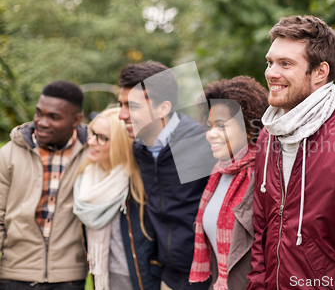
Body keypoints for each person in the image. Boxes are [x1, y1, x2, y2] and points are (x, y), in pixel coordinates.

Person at [247, 15, 335, 290]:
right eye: (270, 62)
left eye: (285, 64)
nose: (271, 73)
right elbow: (261, 231)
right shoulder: (268, 134)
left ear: (320, 72)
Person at [117, 61, 214, 290]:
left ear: (163, 108)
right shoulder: (139, 149)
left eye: (131, 106)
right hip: (168, 274)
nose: (121, 115)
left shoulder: (202, 144)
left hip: (206, 274)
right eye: (120, 105)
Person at [0, 81, 88, 289]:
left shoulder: (91, 154)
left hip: (68, 278)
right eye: (39, 113)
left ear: (76, 120)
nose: (42, 122)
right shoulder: (9, 153)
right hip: (15, 275)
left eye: (54, 117)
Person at [189, 76, 268, 290]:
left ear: (249, 127)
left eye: (221, 126)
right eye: (210, 126)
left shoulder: (264, 176)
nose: (211, 135)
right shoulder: (218, 172)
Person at [73, 107, 162, 290]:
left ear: (120, 143)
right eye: (92, 133)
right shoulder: (86, 178)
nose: (91, 141)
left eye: (102, 138)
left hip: (137, 279)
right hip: (102, 277)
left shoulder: (138, 184)